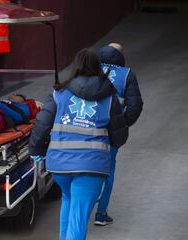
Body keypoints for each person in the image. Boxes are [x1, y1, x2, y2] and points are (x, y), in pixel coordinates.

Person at [29, 48, 128, 240]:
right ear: (98, 68)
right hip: (91, 167)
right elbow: (120, 136)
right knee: (79, 217)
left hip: (59, 165)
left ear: (76, 67)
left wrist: (36, 150)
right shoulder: (109, 98)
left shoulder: (59, 93)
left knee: (69, 200)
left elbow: (42, 123)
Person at [93, 42, 143, 226]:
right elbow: (135, 106)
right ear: (121, 57)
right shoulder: (126, 74)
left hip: (86, 128)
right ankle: (100, 213)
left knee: (84, 166)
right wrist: (122, 124)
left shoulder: (90, 70)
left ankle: (81, 207)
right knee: (108, 170)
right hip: (110, 133)